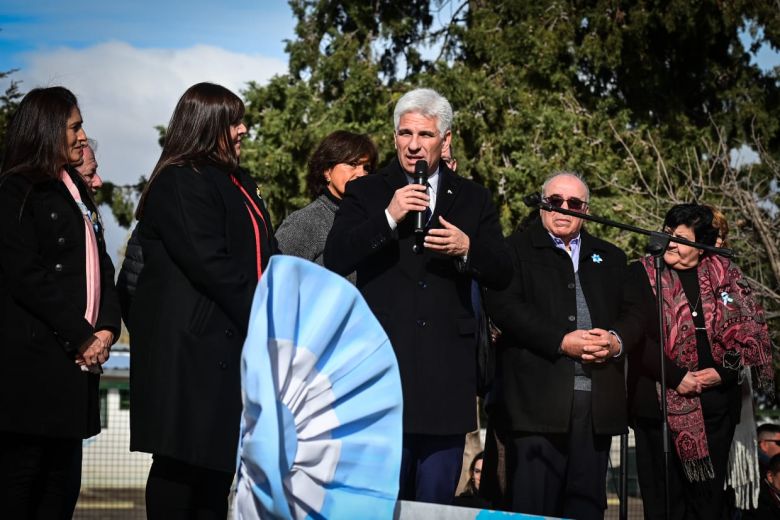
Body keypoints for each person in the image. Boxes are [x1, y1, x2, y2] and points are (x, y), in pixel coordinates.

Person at [324, 87, 511, 505]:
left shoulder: (473, 197)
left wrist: (467, 248)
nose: (413, 145)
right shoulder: (367, 192)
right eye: (405, 133)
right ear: (394, 138)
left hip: (446, 374)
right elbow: (336, 256)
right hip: (382, 369)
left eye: (424, 135)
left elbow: (503, 270)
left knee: (434, 502)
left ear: (446, 139)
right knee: (383, 501)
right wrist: (389, 217)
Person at [127, 82, 276, 518]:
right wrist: (268, 314)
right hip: (191, 353)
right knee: (180, 468)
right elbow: (211, 262)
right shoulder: (180, 180)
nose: (244, 129)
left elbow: (264, 250)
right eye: (235, 122)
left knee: (214, 474)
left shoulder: (239, 181)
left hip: (228, 348)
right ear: (209, 125)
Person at [482, 172, 645, 519]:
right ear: (542, 204)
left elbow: (636, 312)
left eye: (574, 203)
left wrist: (616, 340)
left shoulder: (611, 256)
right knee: (533, 507)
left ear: (586, 209)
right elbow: (504, 306)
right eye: (555, 201)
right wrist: (560, 340)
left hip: (596, 405)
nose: (564, 209)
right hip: (535, 406)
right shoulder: (513, 250)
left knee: (586, 506)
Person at [0, 86, 120, 518]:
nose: (82, 135)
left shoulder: (75, 195)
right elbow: (25, 275)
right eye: (74, 126)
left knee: (60, 490)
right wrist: (81, 334)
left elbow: (102, 267)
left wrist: (106, 328)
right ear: (48, 129)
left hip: (74, 371)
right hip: (31, 374)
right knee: (20, 487)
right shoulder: (17, 191)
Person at [627, 203, 773, 520]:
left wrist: (722, 373)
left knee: (707, 506)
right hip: (658, 407)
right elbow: (637, 338)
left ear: (703, 246)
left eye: (681, 238)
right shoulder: (642, 273)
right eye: (668, 235)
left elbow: (746, 333)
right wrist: (677, 376)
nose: (671, 244)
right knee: (665, 504)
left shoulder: (725, 280)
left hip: (715, 408)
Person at [275, 130, 377, 278]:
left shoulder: (373, 218)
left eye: (366, 167)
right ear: (327, 171)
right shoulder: (304, 223)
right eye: (352, 164)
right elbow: (278, 279)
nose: (361, 173)